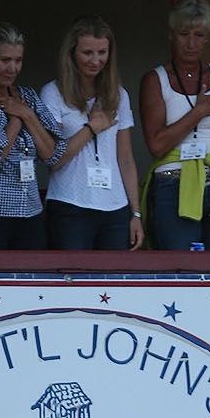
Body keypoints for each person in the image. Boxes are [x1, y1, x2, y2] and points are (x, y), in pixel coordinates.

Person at [138, 0, 210, 251]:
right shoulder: (155, 80)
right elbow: (156, 145)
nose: (191, 43)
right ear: (171, 35)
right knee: (181, 268)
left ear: (207, 37)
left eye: (199, 35)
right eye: (184, 33)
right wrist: (199, 111)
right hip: (172, 184)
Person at [0, 23, 65, 250]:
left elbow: (53, 153)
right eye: (5, 60)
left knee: (31, 282)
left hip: (30, 210)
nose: (12, 68)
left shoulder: (28, 96)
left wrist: (27, 114)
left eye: (18, 61)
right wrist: (17, 118)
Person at [40, 16, 144, 251]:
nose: (96, 60)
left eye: (102, 52)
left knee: (113, 283)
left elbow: (125, 158)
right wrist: (91, 129)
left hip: (115, 207)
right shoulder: (53, 93)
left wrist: (135, 212)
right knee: (72, 282)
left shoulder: (119, 94)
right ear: (72, 53)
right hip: (70, 204)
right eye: (88, 53)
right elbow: (52, 159)